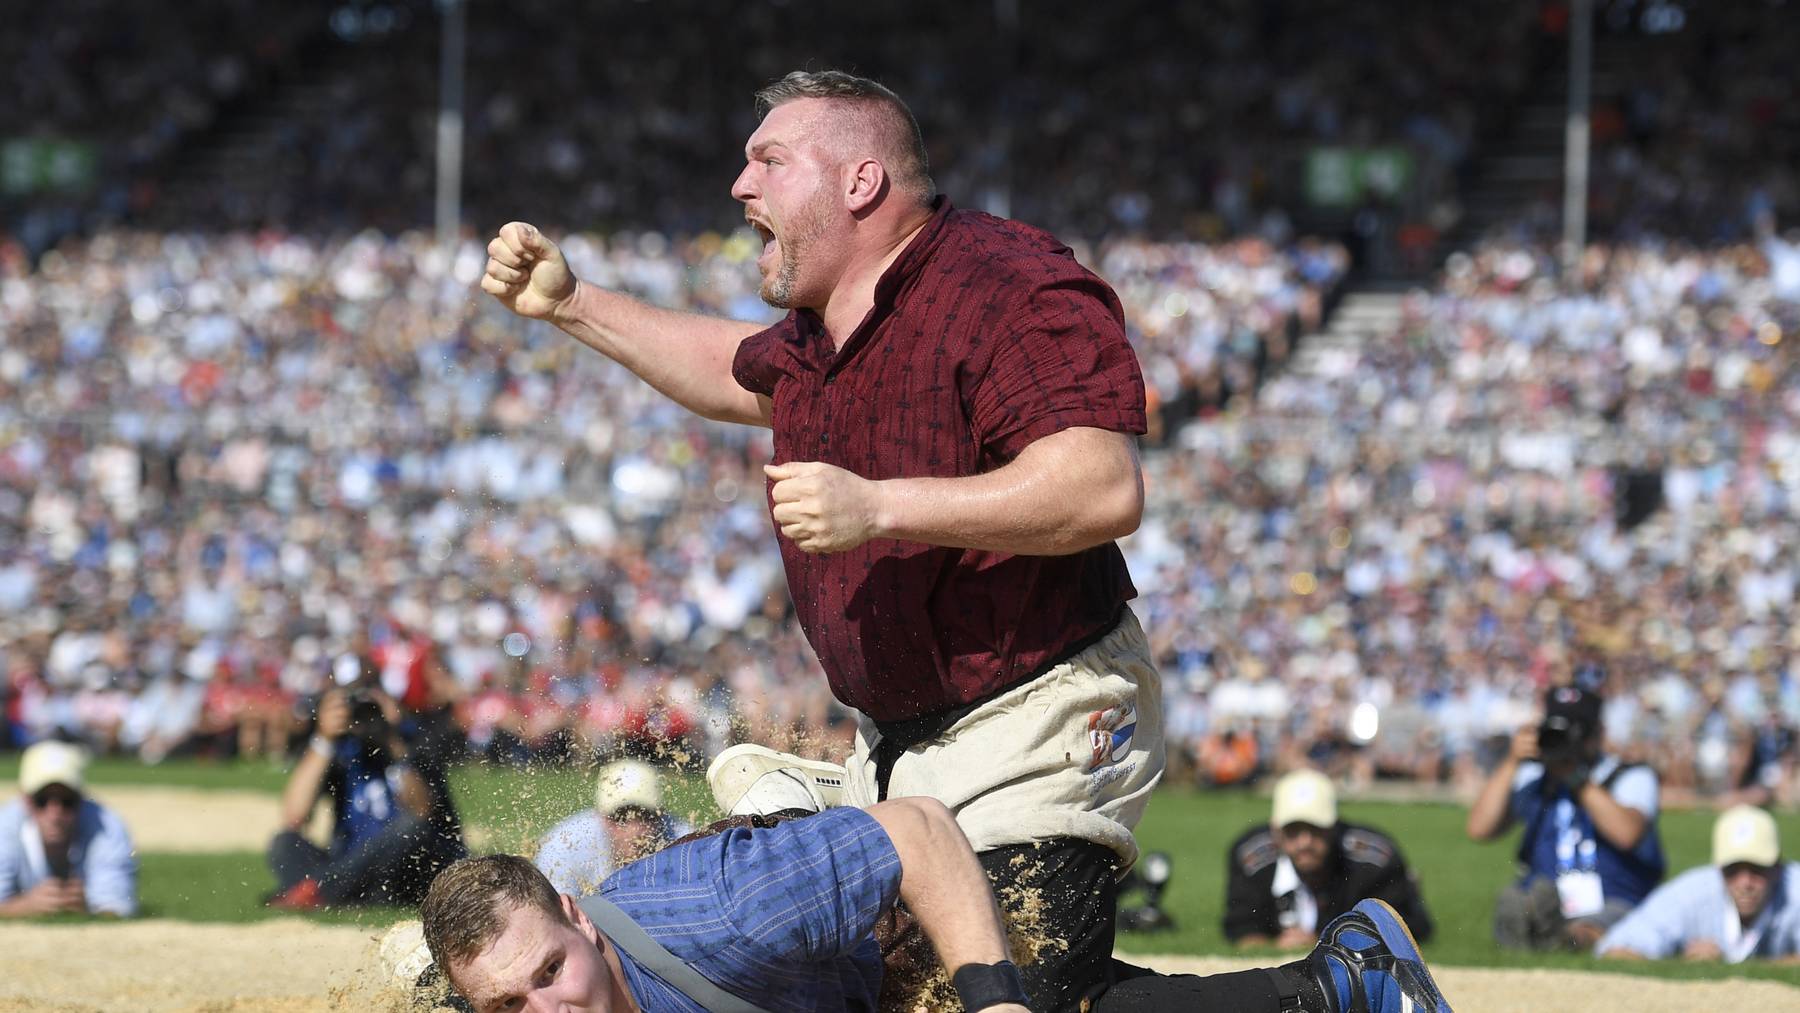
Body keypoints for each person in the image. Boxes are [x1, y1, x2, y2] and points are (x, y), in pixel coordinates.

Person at [483, 68, 1160, 1011]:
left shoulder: (1008, 283)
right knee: (913, 989)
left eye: (768, 159)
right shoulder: (819, 325)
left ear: (860, 182)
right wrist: (573, 305)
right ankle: (1330, 987)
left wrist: (880, 506)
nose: (739, 186)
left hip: (1042, 710)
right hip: (900, 742)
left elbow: (1101, 485)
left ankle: (1338, 988)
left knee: (999, 990)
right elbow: (738, 372)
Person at [419, 797, 1453, 1013]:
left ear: (578, 913)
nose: (543, 1010)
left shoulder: (719, 910)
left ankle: (1343, 976)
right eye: (508, 1007)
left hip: (922, 903)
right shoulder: (514, 992)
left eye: (550, 971)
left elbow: (916, 832)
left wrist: (996, 998)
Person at [1466, 684, 1666, 950]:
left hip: (1613, 898)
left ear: (1597, 734)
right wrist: (1512, 761)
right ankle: (1537, 931)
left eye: (1573, 731)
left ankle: (1566, 939)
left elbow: (1627, 834)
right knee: (1518, 902)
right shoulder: (1535, 777)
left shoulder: (1630, 776)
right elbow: (1480, 829)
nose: (1562, 740)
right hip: (1546, 897)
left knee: (1594, 926)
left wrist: (1573, 777)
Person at [265, 680, 465, 909]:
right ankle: (334, 892)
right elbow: (294, 816)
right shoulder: (341, 750)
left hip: (407, 869)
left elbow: (422, 810)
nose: (367, 717)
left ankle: (320, 892)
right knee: (285, 842)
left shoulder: (416, 739)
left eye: (373, 707)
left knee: (410, 829)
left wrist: (392, 742)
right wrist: (324, 739)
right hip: (351, 864)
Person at [1225, 769, 1434, 948]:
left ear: (1335, 826)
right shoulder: (1251, 858)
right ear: (1276, 830)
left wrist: (1320, 942)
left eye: (1315, 829)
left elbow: (1406, 931)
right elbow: (1242, 928)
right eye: (1293, 830)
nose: (1304, 842)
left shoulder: (1373, 862)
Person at [1597, 805, 1800, 963]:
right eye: (1733, 869)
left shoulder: (1794, 890)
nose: (1745, 882)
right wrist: (1682, 961)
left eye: (1757, 869)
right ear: (1718, 869)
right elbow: (1614, 949)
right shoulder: (1690, 893)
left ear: (1777, 867)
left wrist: (1730, 963)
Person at [0, 740, 136, 917]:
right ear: (26, 801)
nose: (55, 813)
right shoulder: (5, 827)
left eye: (67, 801)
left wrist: (90, 906)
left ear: (81, 800)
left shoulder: (106, 826)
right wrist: (25, 906)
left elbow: (117, 904)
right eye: (42, 800)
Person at [534, 758, 694, 897]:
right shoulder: (564, 849)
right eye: (622, 819)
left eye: (646, 817)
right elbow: (557, 921)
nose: (635, 831)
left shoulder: (685, 844)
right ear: (602, 817)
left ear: (661, 816)